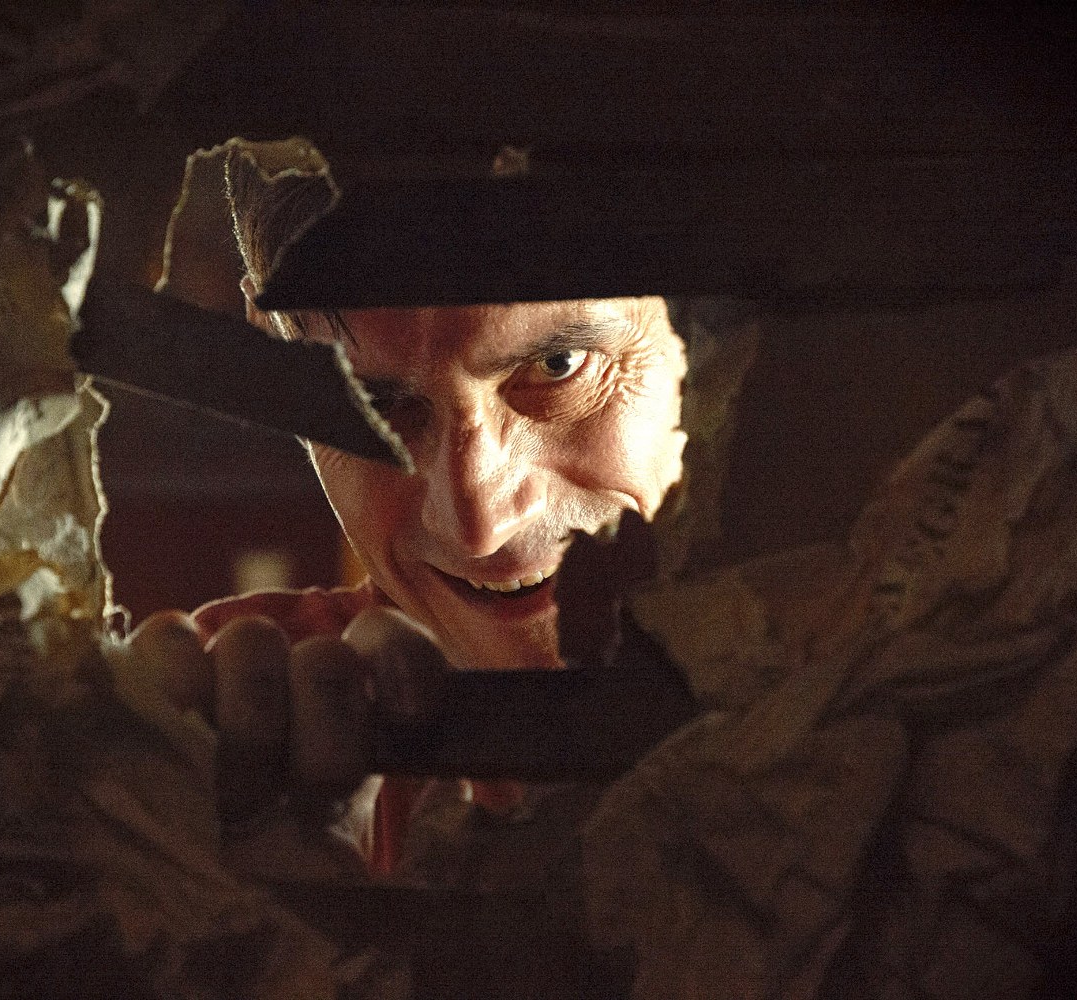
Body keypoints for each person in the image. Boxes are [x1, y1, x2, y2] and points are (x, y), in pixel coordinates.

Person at [137, 141, 690, 877]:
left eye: (557, 366)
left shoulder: (849, 670)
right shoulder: (227, 744)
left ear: (711, 331)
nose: (476, 525)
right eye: (369, 402)